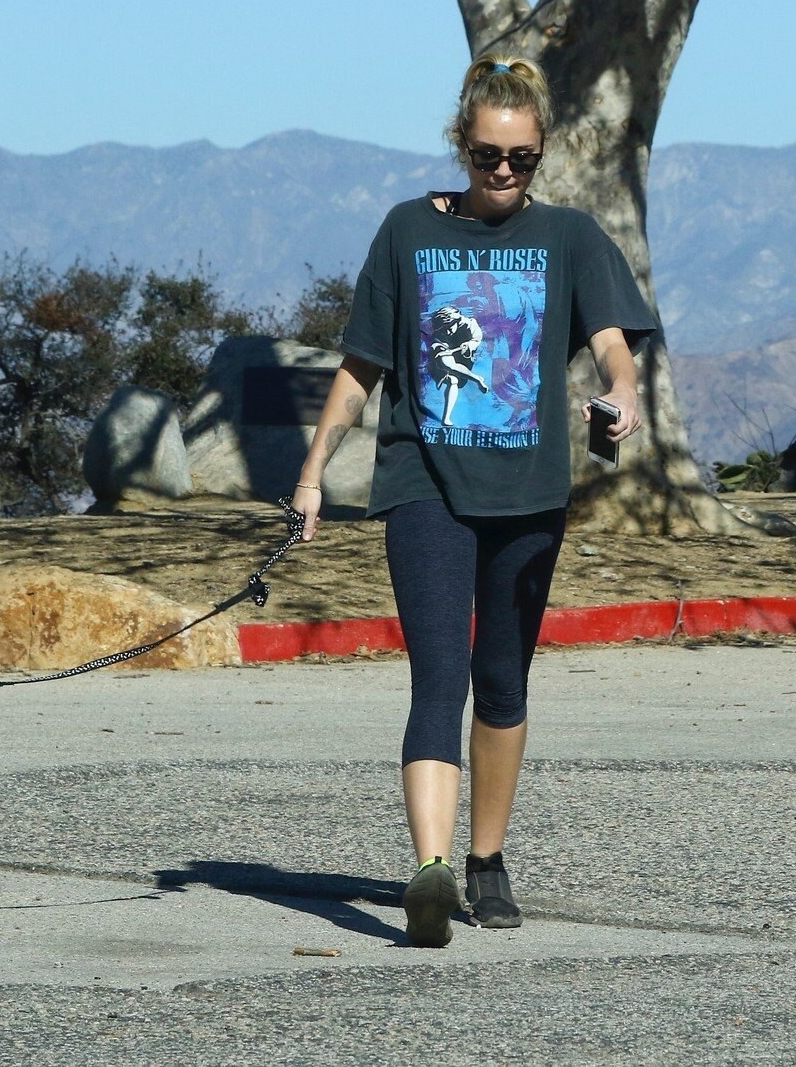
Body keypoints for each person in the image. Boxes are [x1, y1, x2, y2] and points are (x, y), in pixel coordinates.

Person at [291, 53, 656, 948]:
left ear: (542, 155)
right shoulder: (409, 231)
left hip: (529, 493)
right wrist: (310, 474)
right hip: (425, 484)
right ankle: (430, 869)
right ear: (462, 145)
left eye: (522, 158)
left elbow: (614, 346)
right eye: (489, 155)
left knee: (501, 682)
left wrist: (623, 395)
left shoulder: (568, 237)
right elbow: (360, 370)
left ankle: (486, 861)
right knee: (438, 675)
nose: (504, 172)